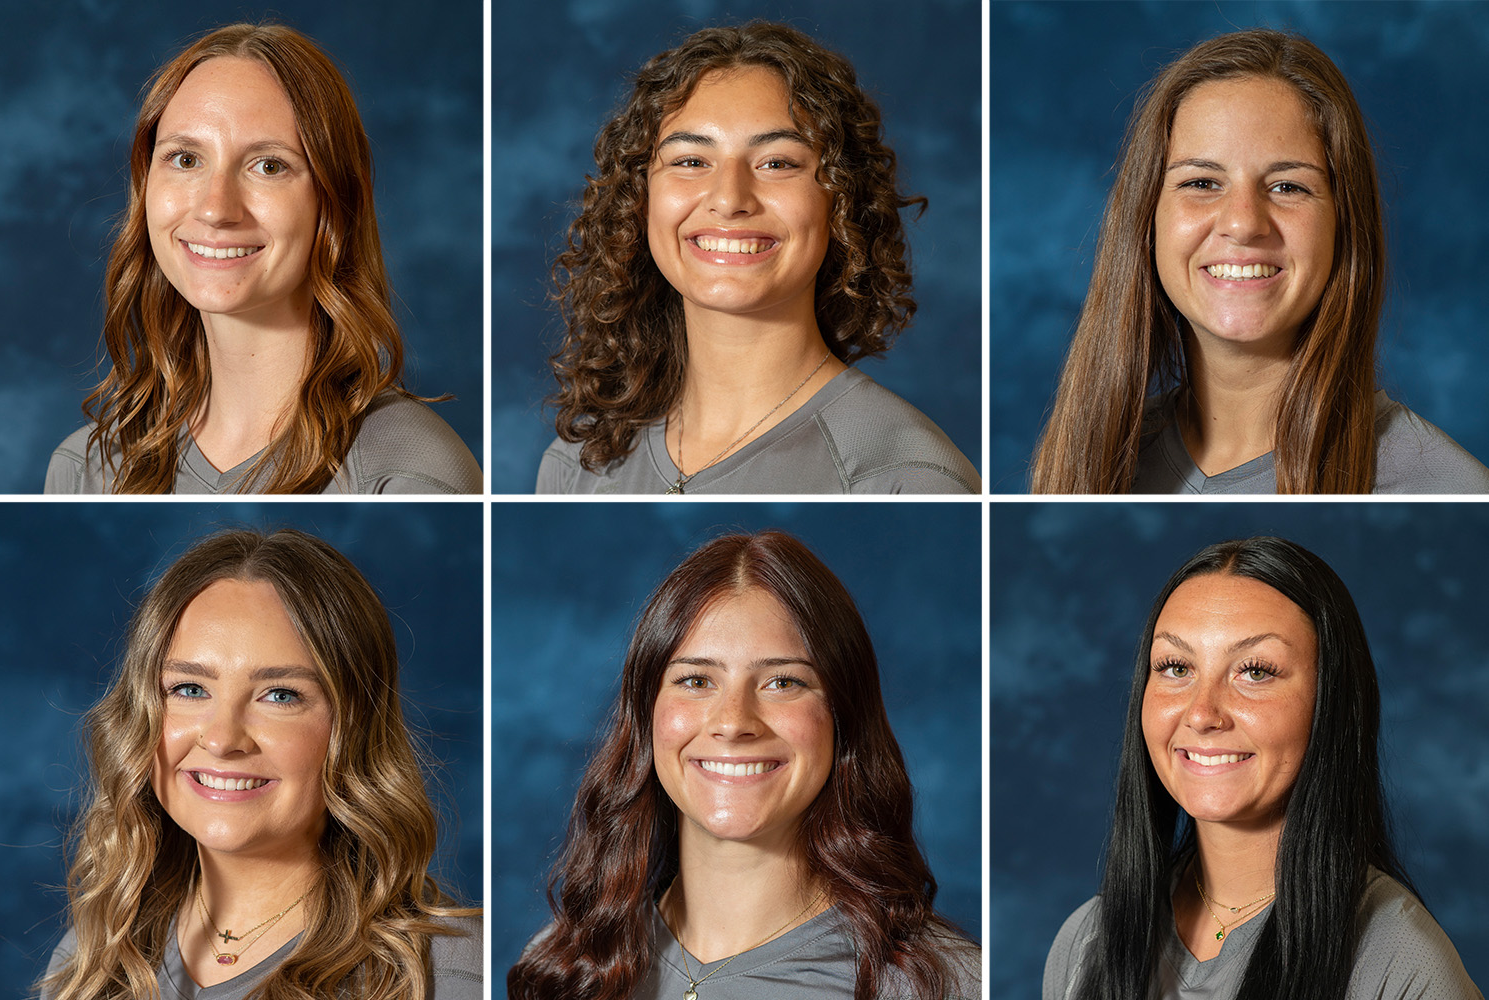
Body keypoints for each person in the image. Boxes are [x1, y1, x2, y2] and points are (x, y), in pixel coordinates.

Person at [508, 531, 980, 998]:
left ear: (843, 715)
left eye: (782, 682)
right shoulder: (563, 965)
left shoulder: (940, 985)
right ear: (646, 712)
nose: (733, 722)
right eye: (696, 680)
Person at [1030, 29, 1489, 494]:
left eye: (1288, 187)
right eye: (1202, 183)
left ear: (1344, 223)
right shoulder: (1097, 459)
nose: (1244, 223)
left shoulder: (1445, 486)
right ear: (1146, 216)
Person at [534, 22, 980, 494]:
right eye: (690, 161)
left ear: (843, 199)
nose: (729, 199)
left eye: (778, 163)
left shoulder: (905, 478)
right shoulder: (576, 467)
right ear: (639, 197)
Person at [36, 528, 482, 1000]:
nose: (223, 739)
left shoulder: (447, 973)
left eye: (280, 695)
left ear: (353, 729)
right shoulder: (90, 960)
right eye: (189, 689)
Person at [45, 23, 481, 494]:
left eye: (269, 166)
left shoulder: (408, 473)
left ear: (333, 204)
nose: (215, 208)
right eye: (186, 159)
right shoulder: (86, 469)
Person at [1043, 536, 1483, 1000]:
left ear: (1330, 702)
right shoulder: (1085, 944)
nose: (1201, 713)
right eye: (1176, 667)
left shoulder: (1402, 966)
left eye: (1255, 671)